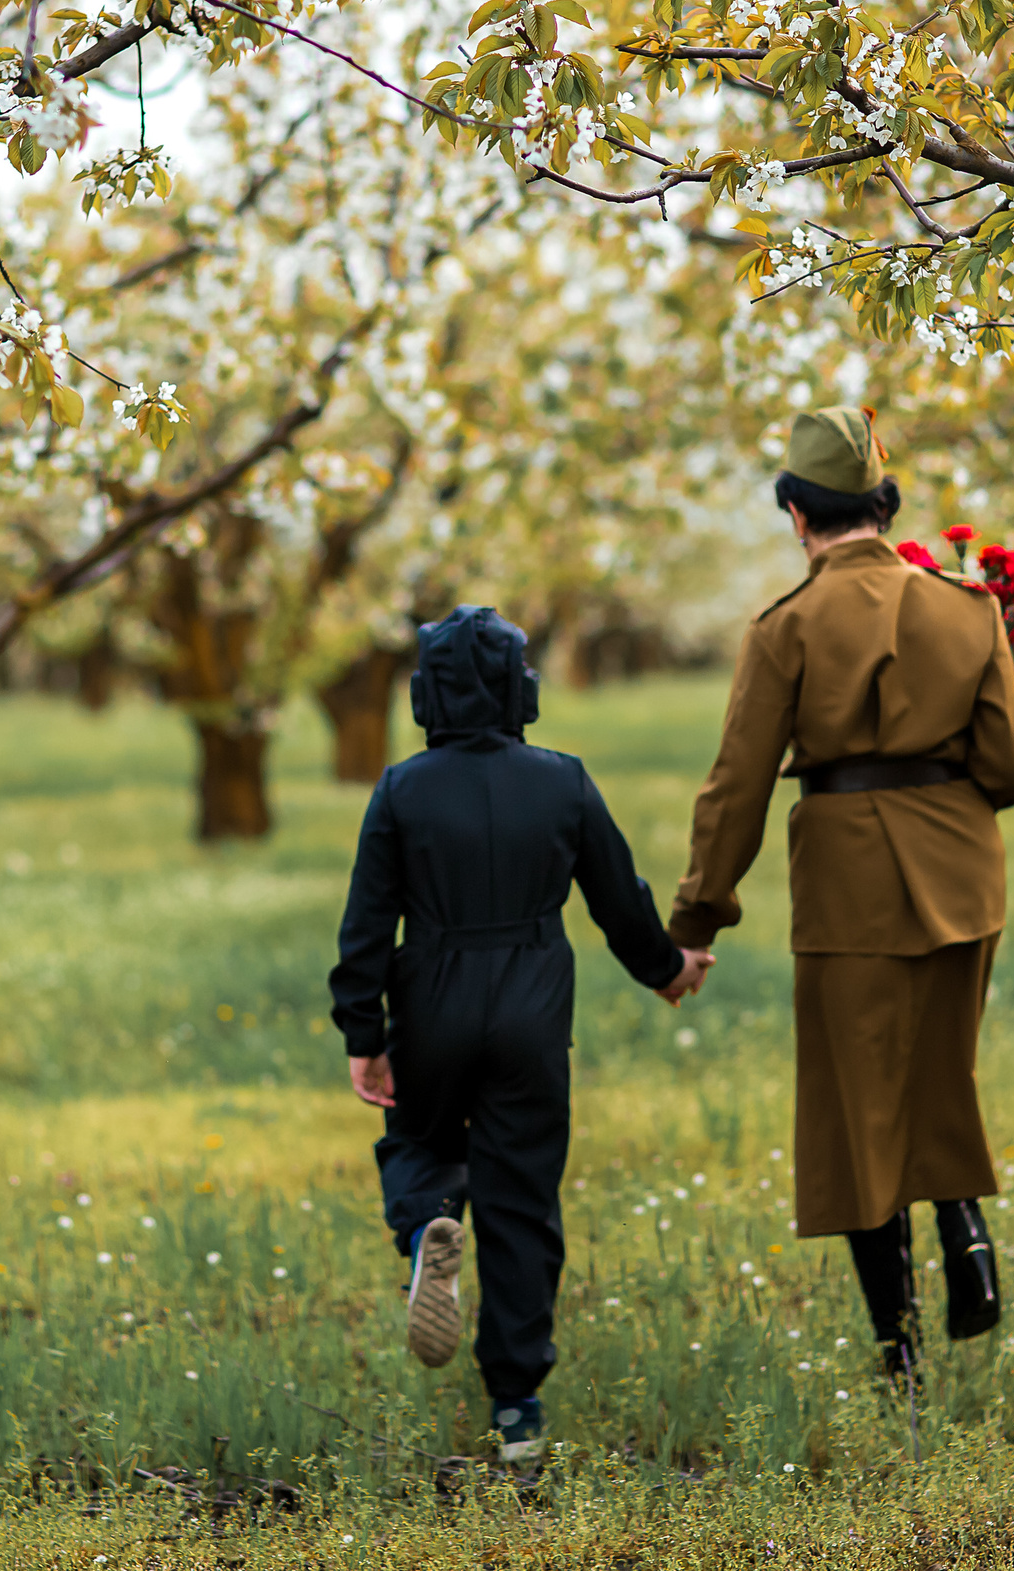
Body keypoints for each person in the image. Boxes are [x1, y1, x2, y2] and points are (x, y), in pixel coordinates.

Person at [667, 405, 1014, 1379]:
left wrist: (695, 919)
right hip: (963, 874)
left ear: (797, 515)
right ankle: (966, 1238)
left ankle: (900, 1355)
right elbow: (1008, 766)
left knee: (854, 1106)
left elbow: (736, 788)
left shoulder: (784, 628)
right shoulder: (968, 608)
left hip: (848, 885)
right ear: (885, 501)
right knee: (938, 1069)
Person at [329, 605, 711, 1465]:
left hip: (431, 1001)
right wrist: (667, 968)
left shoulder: (400, 788)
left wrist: (364, 1029)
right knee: (522, 1204)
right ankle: (517, 1416)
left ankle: (429, 1219)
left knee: (419, 1140)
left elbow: (365, 926)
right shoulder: (563, 780)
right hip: (534, 1013)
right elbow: (618, 899)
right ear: (519, 688)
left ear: (426, 694)